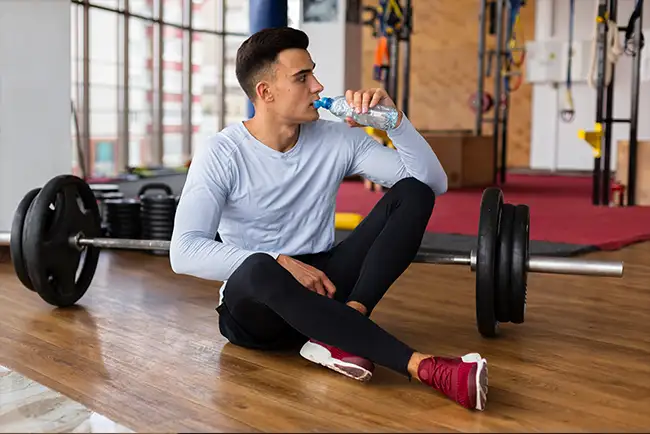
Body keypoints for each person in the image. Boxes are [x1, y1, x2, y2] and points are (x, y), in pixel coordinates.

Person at [169, 27, 488, 411]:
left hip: (326, 284)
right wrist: (279, 261)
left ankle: (346, 326)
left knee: (412, 192)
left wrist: (395, 122)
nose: (319, 86)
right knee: (257, 264)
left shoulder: (339, 139)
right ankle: (427, 368)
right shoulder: (221, 153)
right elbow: (183, 252)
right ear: (265, 93)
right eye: (302, 78)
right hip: (258, 308)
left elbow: (432, 184)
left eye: (314, 73)